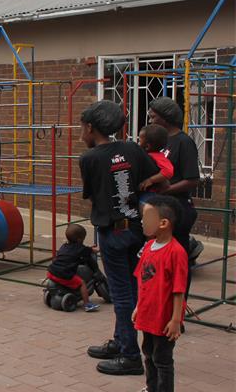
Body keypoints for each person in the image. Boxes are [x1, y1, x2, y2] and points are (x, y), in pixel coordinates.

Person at [79, 100, 161, 375]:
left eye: (82, 127)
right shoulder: (132, 149)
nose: (81, 132)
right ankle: (121, 341)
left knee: (122, 294)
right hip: (136, 229)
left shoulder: (89, 158)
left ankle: (130, 356)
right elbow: (154, 177)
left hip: (112, 232)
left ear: (90, 127)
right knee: (131, 288)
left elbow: (90, 193)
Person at [127, 195, 188, 392]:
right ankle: (152, 390)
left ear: (163, 223)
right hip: (148, 314)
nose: (143, 222)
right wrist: (138, 307)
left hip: (164, 318)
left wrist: (175, 320)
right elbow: (143, 281)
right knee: (148, 353)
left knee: (162, 359)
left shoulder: (176, 252)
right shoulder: (150, 246)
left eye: (147, 217)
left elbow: (179, 290)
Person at [148, 96, 202, 278]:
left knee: (176, 260)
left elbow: (192, 179)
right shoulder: (158, 141)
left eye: (153, 117)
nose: (150, 120)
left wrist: (166, 190)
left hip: (178, 208)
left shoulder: (183, 142)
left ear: (165, 117)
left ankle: (178, 300)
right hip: (160, 207)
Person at [46, 224, 100, 312]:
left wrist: (88, 248)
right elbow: (89, 251)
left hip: (51, 272)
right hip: (63, 274)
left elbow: (81, 250)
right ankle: (87, 304)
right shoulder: (80, 249)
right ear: (79, 240)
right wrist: (97, 250)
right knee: (81, 283)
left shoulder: (64, 246)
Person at [137, 124, 174, 198]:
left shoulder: (157, 156)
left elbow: (168, 171)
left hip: (150, 194)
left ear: (147, 146)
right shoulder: (145, 155)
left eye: (139, 141)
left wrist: (150, 180)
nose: (137, 143)